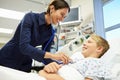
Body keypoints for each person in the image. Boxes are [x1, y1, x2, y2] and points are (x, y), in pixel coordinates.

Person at [0, 0, 71, 72]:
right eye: (62, 14)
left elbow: (45, 56)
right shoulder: (30, 17)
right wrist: (54, 56)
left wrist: (61, 64)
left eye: (64, 17)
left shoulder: (50, 33)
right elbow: (24, 47)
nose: (62, 20)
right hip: (8, 57)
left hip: (25, 63)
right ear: (52, 8)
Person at [39, 34, 112, 80]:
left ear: (99, 48)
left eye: (89, 42)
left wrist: (47, 75)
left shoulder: (96, 62)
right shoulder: (77, 61)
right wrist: (48, 68)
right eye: (85, 42)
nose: (84, 44)